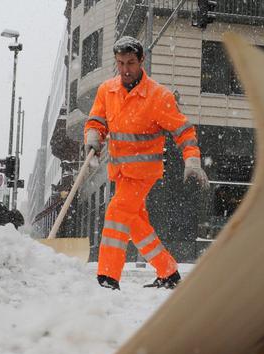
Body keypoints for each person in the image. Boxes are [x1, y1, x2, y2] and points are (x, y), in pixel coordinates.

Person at [83, 36, 208, 291]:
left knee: (116, 215)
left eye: (130, 62)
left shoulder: (158, 96)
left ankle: (107, 278)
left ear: (142, 61)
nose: (125, 69)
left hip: (143, 173)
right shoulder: (107, 90)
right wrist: (93, 139)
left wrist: (192, 160)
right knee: (136, 224)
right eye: (120, 63)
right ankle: (168, 272)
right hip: (118, 170)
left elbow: (183, 131)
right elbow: (96, 120)